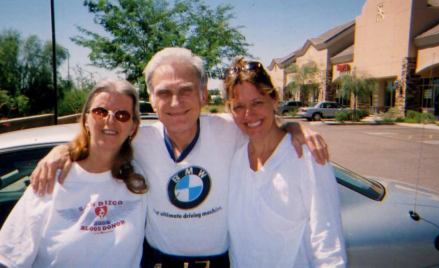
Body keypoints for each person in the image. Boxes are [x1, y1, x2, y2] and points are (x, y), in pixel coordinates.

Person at [30, 47, 330, 268]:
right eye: (164, 93)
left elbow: (263, 126)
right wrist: (61, 152)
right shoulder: (140, 138)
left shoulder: (230, 129)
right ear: (151, 98)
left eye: (186, 90)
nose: (175, 103)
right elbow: (99, 141)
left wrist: (295, 127)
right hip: (157, 263)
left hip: (221, 263)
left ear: (203, 95)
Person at [0, 80, 148, 267]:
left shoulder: (139, 178)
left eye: (122, 115)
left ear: (133, 127)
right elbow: (8, 258)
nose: (110, 120)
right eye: (100, 112)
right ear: (86, 119)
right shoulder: (51, 178)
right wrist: (62, 150)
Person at [224, 58, 347, 267]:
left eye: (257, 103)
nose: (248, 114)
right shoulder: (235, 158)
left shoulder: (306, 157)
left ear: (274, 100)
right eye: (239, 106)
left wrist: (295, 128)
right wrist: (293, 125)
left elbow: (327, 240)